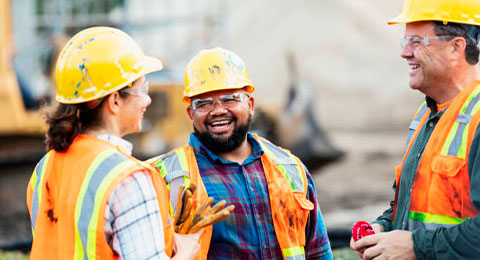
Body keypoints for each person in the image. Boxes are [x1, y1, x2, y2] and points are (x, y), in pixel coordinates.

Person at [26, 26, 200, 260]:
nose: (147, 99)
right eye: (143, 89)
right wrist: (187, 252)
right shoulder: (128, 179)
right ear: (115, 100)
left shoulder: (44, 167)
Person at [149, 47, 333, 259]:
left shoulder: (289, 167)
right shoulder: (163, 177)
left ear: (250, 104)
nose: (218, 110)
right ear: (191, 114)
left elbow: (318, 251)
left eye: (229, 99)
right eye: (204, 103)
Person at [350, 0, 480, 259]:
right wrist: (384, 227)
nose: (405, 52)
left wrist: (415, 246)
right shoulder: (427, 114)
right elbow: (414, 206)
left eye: (417, 42)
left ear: (456, 47)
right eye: (404, 42)